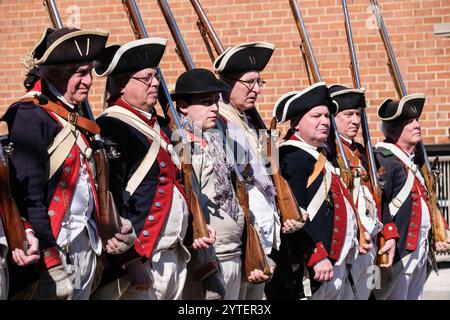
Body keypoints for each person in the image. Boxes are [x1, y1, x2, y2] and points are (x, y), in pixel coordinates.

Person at [2, 27, 135, 300]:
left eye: (90, 72)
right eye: (80, 73)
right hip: (54, 247)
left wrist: (112, 226)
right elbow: (27, 193)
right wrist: (49, 256)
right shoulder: (30, 114)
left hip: (85, 245)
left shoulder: (76, 117)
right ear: (56, 73)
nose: (89, 81)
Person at [91, 39, 215, 300]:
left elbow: (179, 182)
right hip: (142, 257)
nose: (156, 84)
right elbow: (109, 198)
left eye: (155, 77)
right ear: (123, 85)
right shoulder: (111, 126)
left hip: (174, 253)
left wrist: (195, 224)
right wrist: (130, 261)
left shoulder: (160, 125)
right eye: (147, 78)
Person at [272, 82, 363, 300]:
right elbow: (292, 215)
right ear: (295, 124)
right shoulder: (291, 156)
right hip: (313, 264)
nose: (324, 121)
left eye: (325, 115)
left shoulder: (321, 155)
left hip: (336, 261)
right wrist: (315, 253)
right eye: (315, 116)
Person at [214, 42, 283, 299]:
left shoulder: (248, 119)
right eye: (249, 82)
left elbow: (268, 170)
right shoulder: (218, 120)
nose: (257, 90)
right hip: (238, 235)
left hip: (259, 234)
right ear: (228, 84)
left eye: (259, 82)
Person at [171, 67, 244, 300]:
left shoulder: (215, 140)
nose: (214, 108)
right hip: (210, 258)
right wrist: (205, 268)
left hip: (233, 251)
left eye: (215, 101)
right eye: (206, 102)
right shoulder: (183, 147)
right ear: (183, 106)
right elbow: (193, 211)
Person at [372, 94, 450, 300]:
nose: (417, 125)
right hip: (397, 254)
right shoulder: (384, 159)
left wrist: (438, 228)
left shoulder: (413, 162)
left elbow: (425, 200)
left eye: (416, 120)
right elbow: (379, 205)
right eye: (409, 122)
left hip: (419, 251)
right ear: (393, 130)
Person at [329, 85, 397, 299]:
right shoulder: (329, 152)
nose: (356, 120)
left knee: (371, 295)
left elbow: (379, 196)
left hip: (374, 246)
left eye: (358, 114)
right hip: (349, 248)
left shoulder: (364, 152)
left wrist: (389, 232)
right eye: (348, 114)